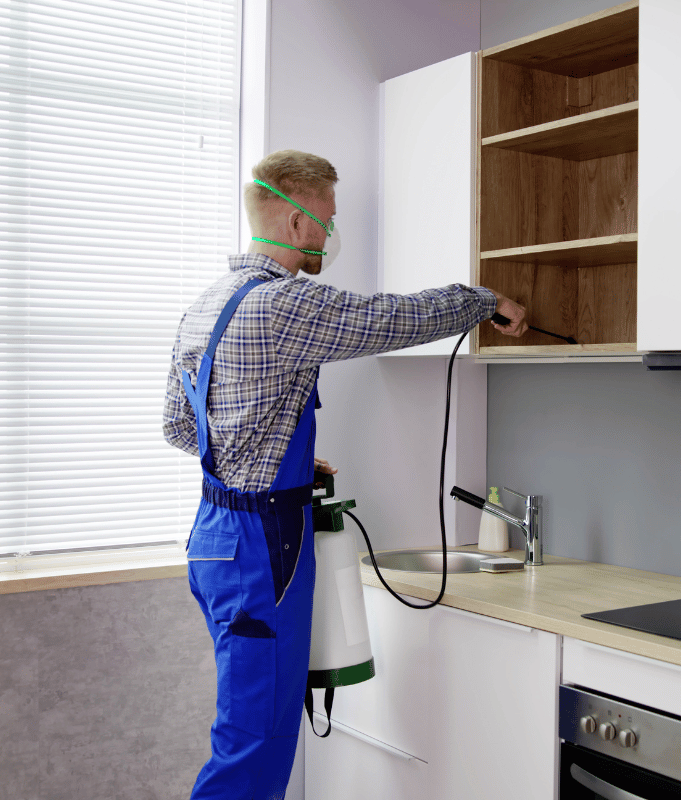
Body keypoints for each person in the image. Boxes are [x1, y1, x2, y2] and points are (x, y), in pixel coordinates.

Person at [162, 149, 526, 799]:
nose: (330, 233)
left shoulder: (204, 305)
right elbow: (391, 318)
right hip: (262, 550)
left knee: (245, 727)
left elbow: (183, 428)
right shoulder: (283, 305)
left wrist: (273, 456)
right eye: (326, 219)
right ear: (296, 220)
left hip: (214, 541)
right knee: (256, 748)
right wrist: (483, 300)